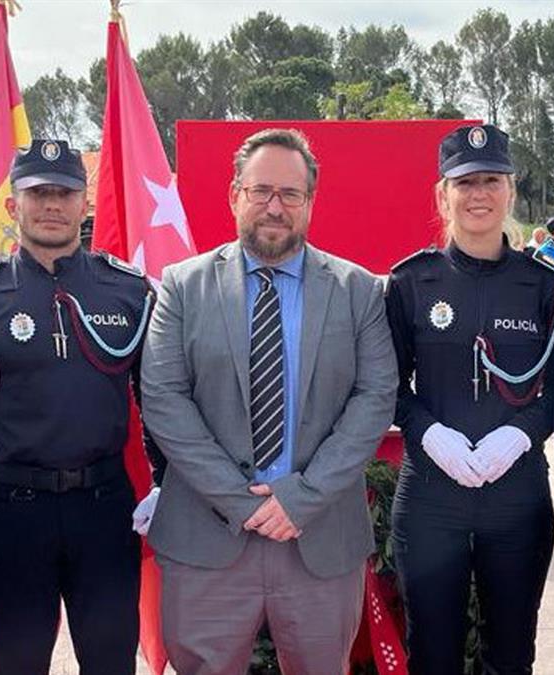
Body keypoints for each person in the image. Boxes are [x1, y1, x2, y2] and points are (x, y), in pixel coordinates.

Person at [138, 128, 397, 675]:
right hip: (208, 535)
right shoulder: (181, 287)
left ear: (310, 202)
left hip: (319, 536)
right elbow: (163, 398)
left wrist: (300, 497)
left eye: (290, 194)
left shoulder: (357, 291)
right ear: (235, 195)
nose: (274, 207)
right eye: (261, 192)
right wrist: (244, 502)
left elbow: (375, 398)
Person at [385, 124, 554, 675]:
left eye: (491, 180)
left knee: (511, 654)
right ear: (444, 195)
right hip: (430, 498)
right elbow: (386, 387)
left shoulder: (545, 285)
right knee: (433, 652)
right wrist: (428, 434)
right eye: (464, 182)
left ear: (511, 190)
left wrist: (519, 435)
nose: (478, 193)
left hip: (517, 496)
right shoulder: (412, 282)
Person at [0, 139, 155, 675]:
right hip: (12, 509)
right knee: (16, 662)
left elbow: (158, 397)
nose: (52, 204)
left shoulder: (127, 290)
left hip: (103, 508)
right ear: (13, 205)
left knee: (109, 660)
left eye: (65, 193)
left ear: (84, 204)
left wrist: (162, 481)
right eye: (38, 192)